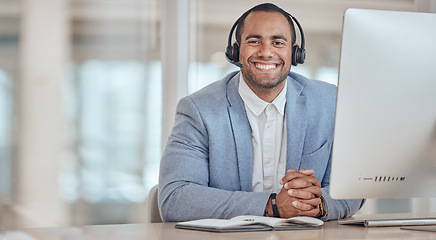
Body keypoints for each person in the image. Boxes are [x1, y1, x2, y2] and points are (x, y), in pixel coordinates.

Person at [158, 3, 364, 222]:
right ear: (235, 51)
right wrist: (273, 205)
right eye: (254, 41)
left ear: (295, 52)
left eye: (278, 42)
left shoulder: (330, 102)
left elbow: (355, 188)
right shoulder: (198, 110)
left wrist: (318, 205)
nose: (266, 52)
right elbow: (175, 199)